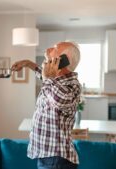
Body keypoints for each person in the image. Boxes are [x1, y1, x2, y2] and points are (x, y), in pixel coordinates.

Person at [11, 41, 81, 169]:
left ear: (63, 61)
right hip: (49, 156)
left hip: (56, 159)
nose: (48, 49)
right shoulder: (55, 81)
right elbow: (45, 77)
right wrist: (27, 63)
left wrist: (48, 78)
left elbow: (59, 99)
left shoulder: (72, 85)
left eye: (54, 48)